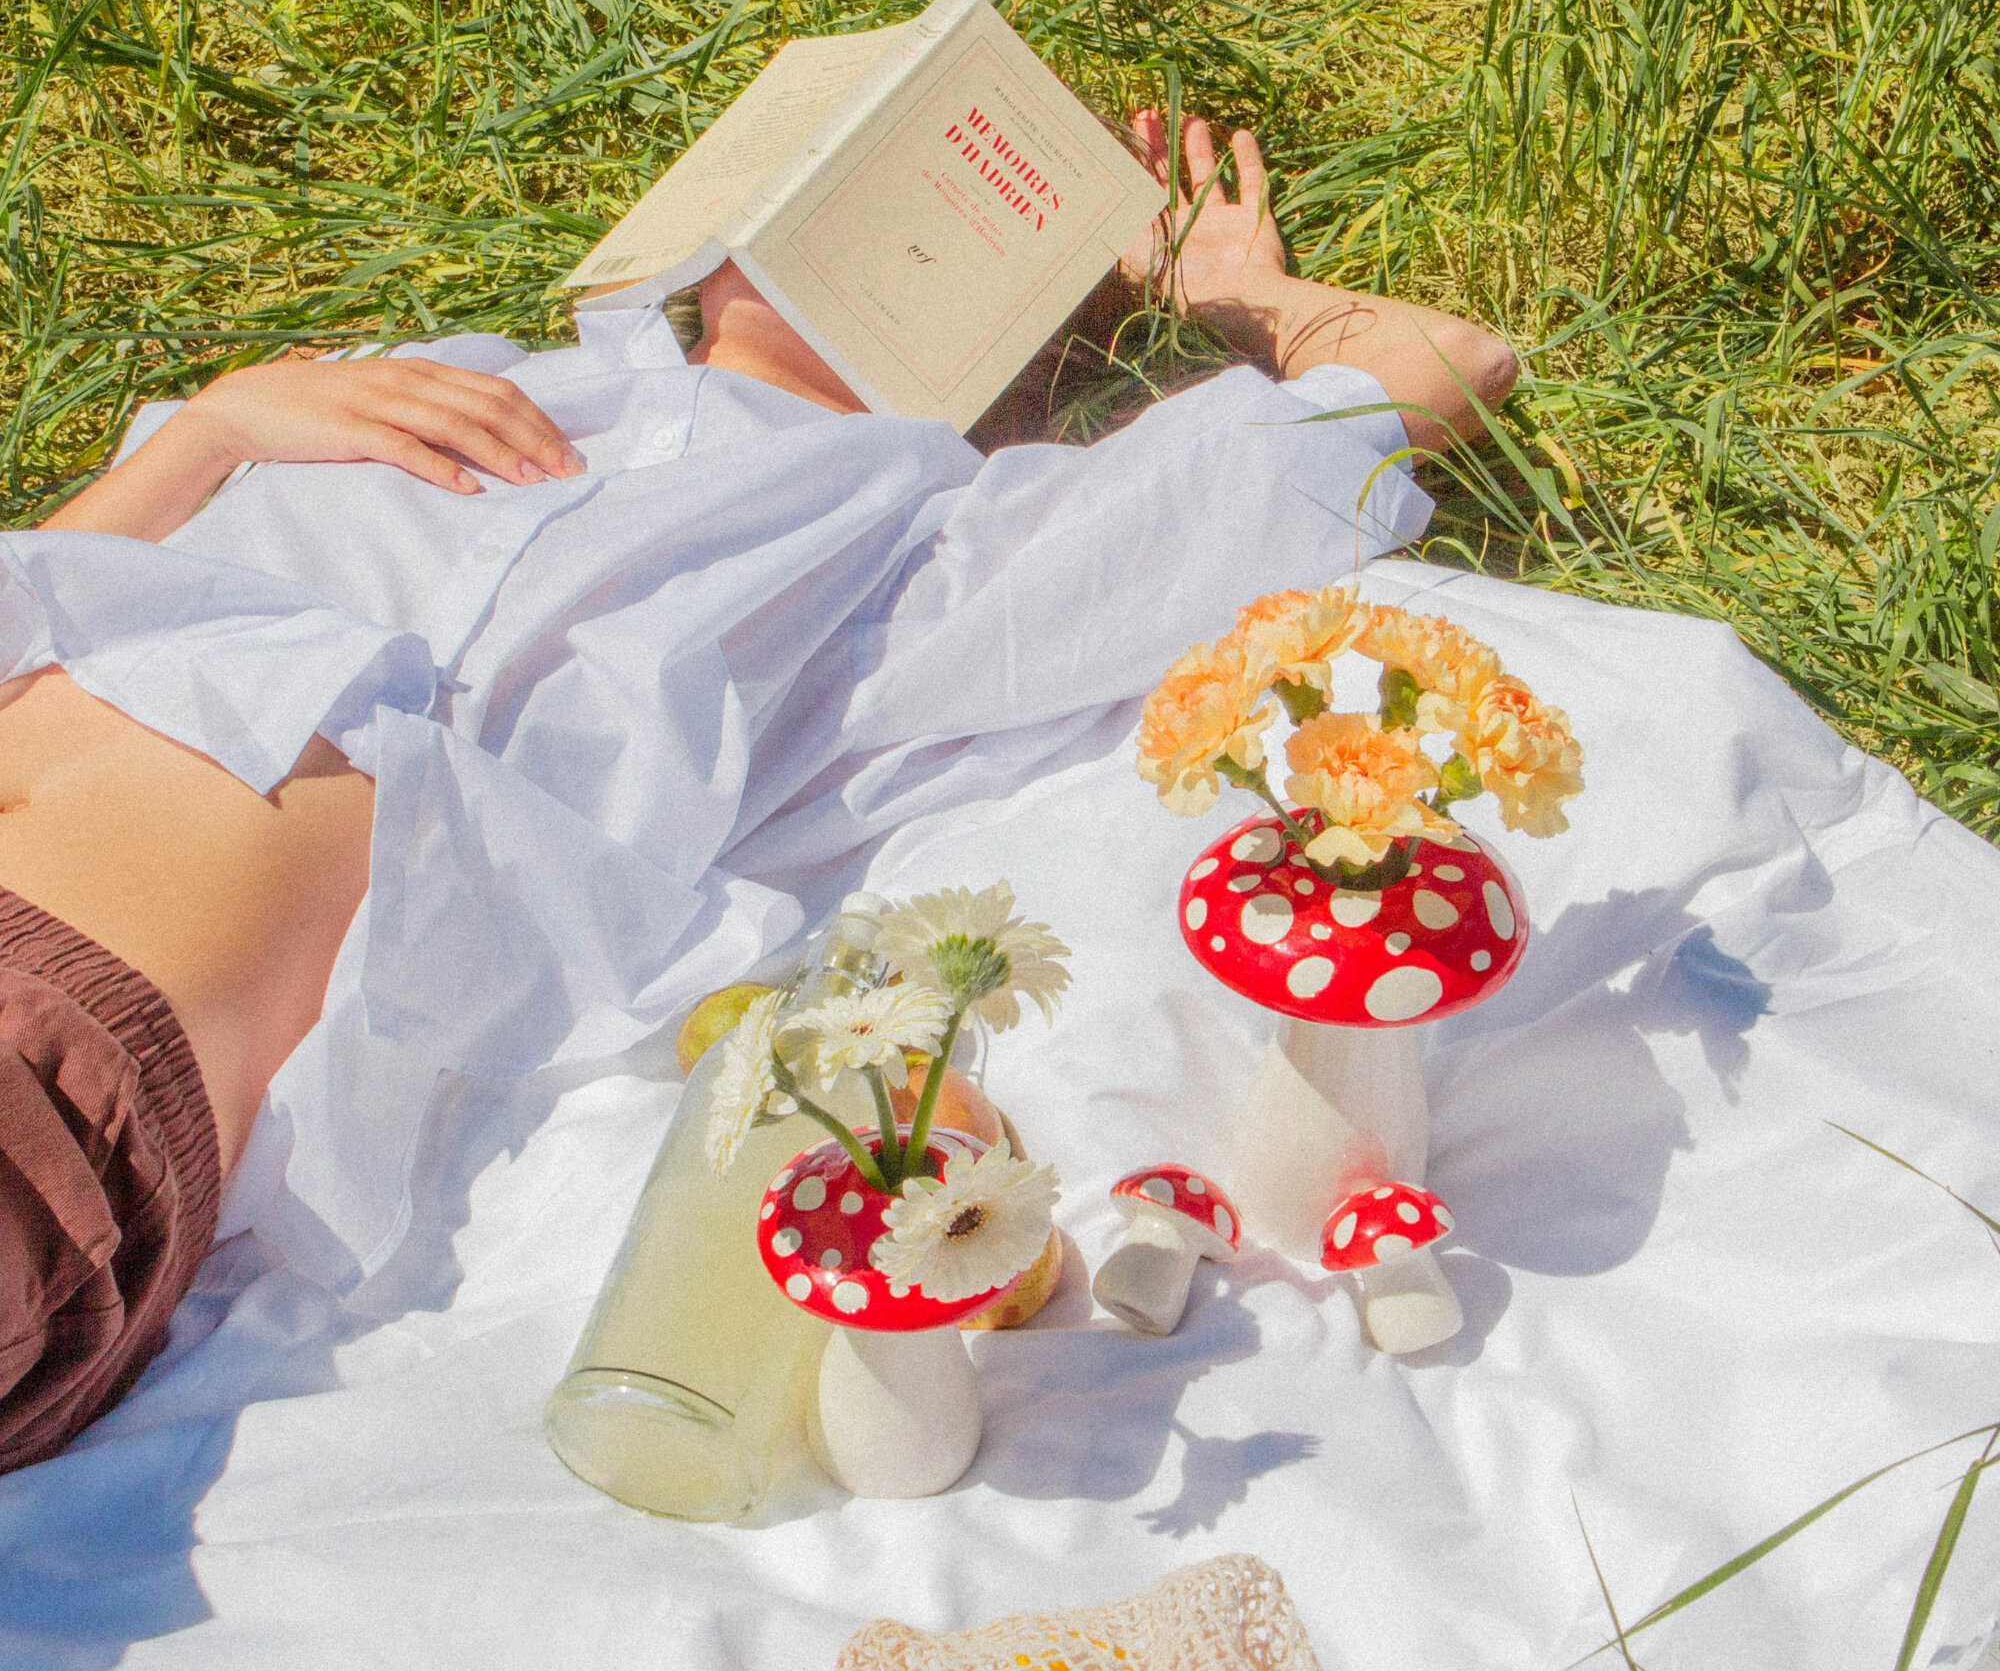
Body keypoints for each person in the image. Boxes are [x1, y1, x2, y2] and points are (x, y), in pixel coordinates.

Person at [0, 114, 1512, 1473]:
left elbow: (1439, 371)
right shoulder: (446, 388)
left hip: (53, 1075)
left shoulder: (931, 547)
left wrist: (1237, 301)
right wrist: (206, 431)